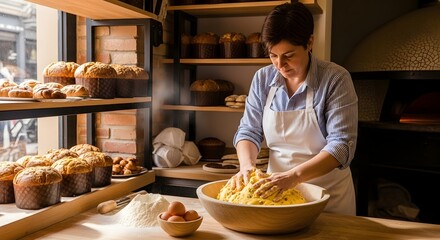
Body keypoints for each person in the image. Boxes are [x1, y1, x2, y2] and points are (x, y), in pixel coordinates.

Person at [231, 2, 358, 215]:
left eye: (288, 55)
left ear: (309, 42)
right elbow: (248, 131)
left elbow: (341, 146)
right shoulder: (263, 79)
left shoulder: (335, 79)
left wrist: (294, 177)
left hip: (329, 198)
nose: (280, 65)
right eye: (273, 55)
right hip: (275, 197)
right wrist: (247, 167)